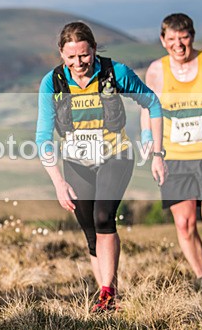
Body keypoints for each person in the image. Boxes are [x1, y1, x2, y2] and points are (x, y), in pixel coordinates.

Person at [36, 21, 166, 313]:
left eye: (84, 55)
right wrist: (58, 182)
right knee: (91, 233)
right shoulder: (52, 82)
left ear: (93, 49)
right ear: (61, 54)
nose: (78, 63)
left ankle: (107, 292)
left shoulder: (114, 73)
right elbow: (43, 137)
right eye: (71, 58)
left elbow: (153, 103)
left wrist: (154, 147)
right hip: (76, 163)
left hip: (115, 156)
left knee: (104, 217)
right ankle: (109, 296)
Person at [141, 13, 202, 287]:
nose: (178, 44)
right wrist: (150, 141)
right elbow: (148, 109)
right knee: (184, 223)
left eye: (183, 37)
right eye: (171, 39)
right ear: (162, 41)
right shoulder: (156, 71)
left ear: (192, 36)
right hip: (174, 155)